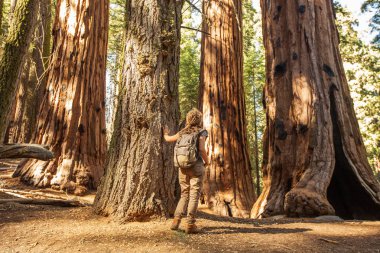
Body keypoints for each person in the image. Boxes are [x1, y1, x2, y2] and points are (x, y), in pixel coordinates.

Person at [163, 108, 209, 234]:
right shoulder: (202, 132)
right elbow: (202, 149)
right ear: (199, 120)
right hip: (196, 166)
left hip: (182, 167)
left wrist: (165, 133)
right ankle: (190, 225)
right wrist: (208, 161)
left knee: (184, 194)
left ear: (188, 119)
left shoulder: (182, 132)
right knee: (194, 195)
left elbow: (168, 139)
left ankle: (176, 222)